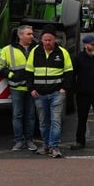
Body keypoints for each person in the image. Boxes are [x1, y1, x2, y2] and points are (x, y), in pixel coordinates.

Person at [24, 27, 73, 158]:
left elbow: (69, 73)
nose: (47, 43)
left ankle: (54, 147)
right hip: (39, 94)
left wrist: (64, 89)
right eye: (45, 40)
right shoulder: (35, 52)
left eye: (50, 40)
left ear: (54, 40)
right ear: (41, 40)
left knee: (55, 121)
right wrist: (31, 89)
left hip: (56, 93)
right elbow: (29, 72)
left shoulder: (62, 53)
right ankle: (46, 145)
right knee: (43, 122)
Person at [0, 25, 37, 152]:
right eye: (29, 34)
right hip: (17, 88)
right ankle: (19, 141)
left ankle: (29, 141)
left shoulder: (37, 49)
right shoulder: (8, 50)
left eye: (32, 34)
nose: (32, 36)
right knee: (17, 115)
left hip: (32, 88)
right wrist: (10, 75)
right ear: (20, 36)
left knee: (31, 116)